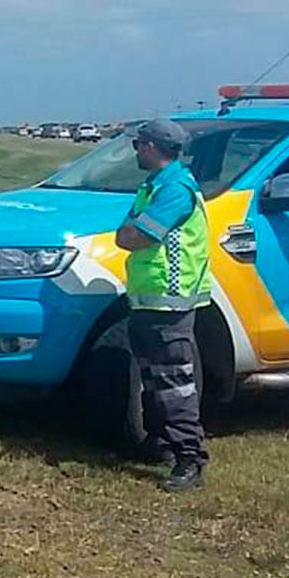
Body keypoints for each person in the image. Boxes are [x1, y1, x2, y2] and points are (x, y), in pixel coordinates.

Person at [114, 118, 213, 492]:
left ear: (153, 147)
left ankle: (190, 459)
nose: (135, 150)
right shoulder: (153, 187)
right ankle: (161, 446)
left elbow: (135, 236)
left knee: (175, 385)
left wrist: (130, 233)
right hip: (147, 302)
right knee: (155, 382)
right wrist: (128, 233)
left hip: (169, 304)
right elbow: (124, 234)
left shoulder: (175, 190)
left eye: (138, 144)